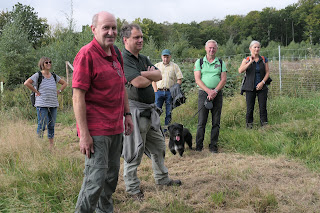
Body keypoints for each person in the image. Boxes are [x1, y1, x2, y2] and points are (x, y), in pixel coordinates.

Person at [72, 11, 133, 213]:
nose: (110, 32)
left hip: (116, 128)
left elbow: (121, 86)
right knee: (94, 182)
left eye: (113, 28)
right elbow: (78, 97)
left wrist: (127, 114)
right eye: (105, 27)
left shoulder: (115, 53)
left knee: (110, 180)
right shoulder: (86, 55)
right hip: (96, 131)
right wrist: (84, 135)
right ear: (94, 29)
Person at [120, 24, 181, 201]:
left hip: (149, 111)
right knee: (133, 151)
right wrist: (148, 74)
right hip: (134, 112)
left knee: (159, 147)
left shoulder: (143, 58)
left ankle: (162, 180)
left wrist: (144, 74)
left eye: (141, 37)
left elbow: (159, 75)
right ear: (125, 40)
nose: (140, 40)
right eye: (136, 37)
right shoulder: (124, 59)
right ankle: (132, 189)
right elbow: (138, 82)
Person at [24, 57, 67, 148]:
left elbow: (64, 83)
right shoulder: (37, 75)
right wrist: (36, 91)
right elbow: (27, 83)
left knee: (51, 125)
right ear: (42, 64)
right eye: (46, 62)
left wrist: (59, 91)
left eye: (50, 62)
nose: (48, 64)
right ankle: (39, 145)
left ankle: (51, 146)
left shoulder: (54, 76)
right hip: (41, 104)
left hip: (53, 104)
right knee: (42, 125)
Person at [194, 40, 227, 153]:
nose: (211, 50)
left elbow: (223, 79)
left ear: (216, 49)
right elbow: (197, 79)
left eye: (214, 48)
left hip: (217, 94)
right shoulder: (200, 62)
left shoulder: (221, 63)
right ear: (205, 48)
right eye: (210, 48)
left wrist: (215, 91)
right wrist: (208, 91)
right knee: (201, 121)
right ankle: (198, 146)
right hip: (203, 93)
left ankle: (213, 146)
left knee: (216, 122)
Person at [238, 40, 270, 128]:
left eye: (258, 47)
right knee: (250, 108)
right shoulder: (246, 59)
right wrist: (250, 62)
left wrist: (262, 82)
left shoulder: (264, 59)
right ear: (250, 48)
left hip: (262, 87)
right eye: (255, 47)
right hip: (249, 87)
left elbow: (267, 72)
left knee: (263, 108)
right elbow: (240, 70)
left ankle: (264, 126)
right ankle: (249, 126)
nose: (257, 49)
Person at [152, 49, 183, 129]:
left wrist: (175, 88)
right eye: (164, 57)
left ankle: (167, 129)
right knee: (156, 111)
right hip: (159, 91)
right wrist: (155, 91)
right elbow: (152, 79)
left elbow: (179, 79)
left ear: (170, 57)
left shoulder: (175, 66)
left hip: (170, 92)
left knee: (169, 111)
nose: (165, 59)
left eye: (167, 57)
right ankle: (156, 128)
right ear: (161, 57)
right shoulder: (157, 66)